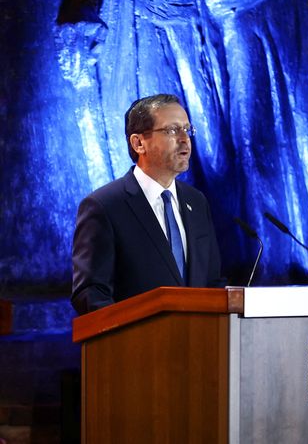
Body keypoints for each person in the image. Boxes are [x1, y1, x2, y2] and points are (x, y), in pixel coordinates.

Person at [71, 94, 224, 315]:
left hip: (197, 343)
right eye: (172, 130)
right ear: (139, 143)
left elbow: (212, 282)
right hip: (137, 346)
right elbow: (90, 294)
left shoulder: (196, 202)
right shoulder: (103, 206)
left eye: (187, 130)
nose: (185, 139)